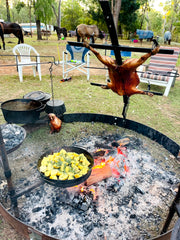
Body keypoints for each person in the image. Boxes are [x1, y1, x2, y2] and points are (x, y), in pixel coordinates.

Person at [83, 41, 160, 97]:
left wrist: (106, 87)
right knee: (140, 61)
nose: (120, 93)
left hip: (114, 67)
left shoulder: (115, 88)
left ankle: (89, 47)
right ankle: (152, 52)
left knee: (99, 57)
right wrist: (147, 93)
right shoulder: (129, 90)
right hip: (126, 68)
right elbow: (141, 92)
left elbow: (109, 85)